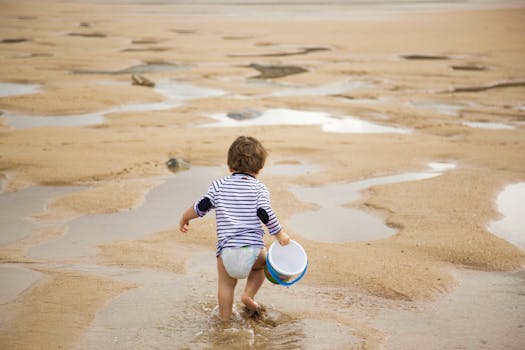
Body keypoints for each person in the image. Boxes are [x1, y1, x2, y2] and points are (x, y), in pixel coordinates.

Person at [179, 136, 290, 320]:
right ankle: (248, 295)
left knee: (225, 285)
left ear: (230, 166)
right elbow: (264, 211)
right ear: (260, 168)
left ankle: (224, 320)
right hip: (253, 250)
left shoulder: (219, 185)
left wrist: (185, 217)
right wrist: (280, 234)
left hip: (227, 252)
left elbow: (202, 206)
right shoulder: (259, 188)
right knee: (261, 266)